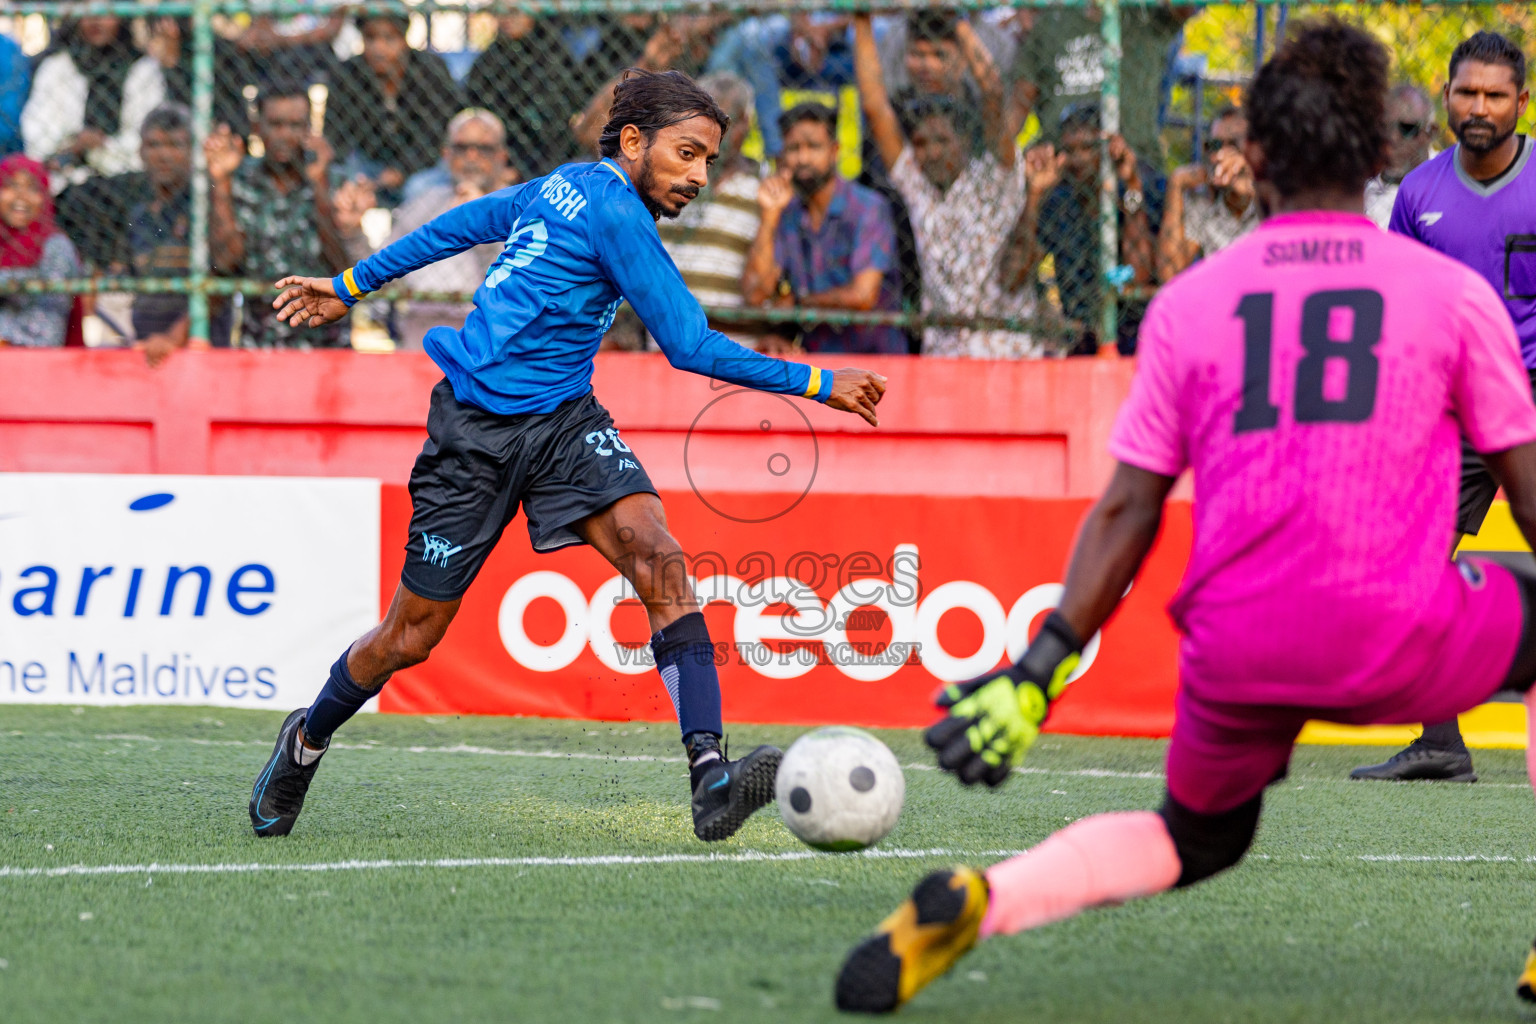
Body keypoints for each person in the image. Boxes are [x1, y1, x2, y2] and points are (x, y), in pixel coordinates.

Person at [834, 20, 1536, 1013]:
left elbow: (1128, 505)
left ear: (1253, 157)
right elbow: (1524, 481)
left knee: (1194, 837)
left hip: (1236, 647)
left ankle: (989, 897)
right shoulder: (1453, 297)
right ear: (1383, 154)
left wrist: (1041, 667)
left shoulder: (1191, 302)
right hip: (1396, 630)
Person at [247, 69, 888, 844]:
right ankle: (305, 740)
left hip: (562, 424)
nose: (698, 177)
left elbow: (459, 225)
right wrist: (822, 381)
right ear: (632, 141)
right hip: (473, 437)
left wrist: (351, 284)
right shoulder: (616, 214)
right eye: (687, 154)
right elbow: (687, 346)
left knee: (661, 561)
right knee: (408, 637)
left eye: (710, 162)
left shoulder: (565, 186)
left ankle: (711, 778)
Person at [1351, 32, 1536, 783]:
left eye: (1496, 95)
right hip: (1456, 405)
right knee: (1417, 561)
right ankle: (1439, 741)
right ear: (1446, 94)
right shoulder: (1419, 195)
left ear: (1521, 102)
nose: (1480, 108)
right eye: (1468, 93)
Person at [853, 12, 1035, 358]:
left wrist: (958, 21)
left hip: (1005, 349)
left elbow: (993, 90)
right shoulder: (918, 187)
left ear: (965, 140)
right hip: (943, 353)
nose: (931, 152)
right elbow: (876, 107)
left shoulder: (995, 177)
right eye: (921, 143)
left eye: (941, 140)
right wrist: (861, 22)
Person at [341, 109, 517, 350]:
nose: (472, 157)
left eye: (483, 149)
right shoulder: (424, 203)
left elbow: (515, 289)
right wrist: (353, 232)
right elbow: (383, 276)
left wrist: (481, 224)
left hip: (490, 343)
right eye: (461, 148)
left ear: (502, 156)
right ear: (446, 155)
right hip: (418, 341)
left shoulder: (522, 206)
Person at [741, 101, 903, 354]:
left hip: (874, 361)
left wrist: (798, 304)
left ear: (834, 151)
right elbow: (755, 293)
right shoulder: (787, 213)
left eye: (813, 147)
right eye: (794, 148)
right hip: (816, 366)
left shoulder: (868, 208)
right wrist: (770, 215)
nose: (803, 158)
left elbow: (863, 296)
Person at [1001, 103, 1161, 355]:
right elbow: (1011, 276)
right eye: (1070, 150)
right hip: (1081, 337)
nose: (1077, 159)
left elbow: (1137, 273)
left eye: (1088, 148)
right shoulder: (1060, 202)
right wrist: (1034, 196)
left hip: (1136, 333)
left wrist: (1131, 185)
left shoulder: (1141, 186)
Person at [207, 81, 350, 350]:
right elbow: (226, 260)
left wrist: (319, 187)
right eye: (275, 124)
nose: (285, 135)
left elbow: (342, 265)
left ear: (309, 129)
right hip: (262, 338)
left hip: (324, 338)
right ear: (257, 128)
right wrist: (222, 182)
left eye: (295, 125)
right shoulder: (240, 180)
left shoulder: (333, 178)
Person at [654, 73, 772, 349]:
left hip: (733, 347)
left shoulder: (762, 189)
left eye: (728, 123)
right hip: (663, 344)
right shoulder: (665, 181)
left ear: (746, 123)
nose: (718, 136)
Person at [1007, 0, 1192, 167]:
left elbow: (1185, 7)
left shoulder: (1145, 15)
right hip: (1064, 167)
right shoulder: (1053, 22)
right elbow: (1020, 100)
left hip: (1134, 164)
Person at [121, 104, 232, 364]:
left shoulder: (207, 205)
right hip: (146, 346)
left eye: (174, 145)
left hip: (201, 347)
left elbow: (220, 281)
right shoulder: (138, 212)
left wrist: (174, 337)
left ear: (192, 151)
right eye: (154, 145)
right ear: (141, 151)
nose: (163, 155)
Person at [323, 11, 462, 202]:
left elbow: (437, 134)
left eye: (389, 38)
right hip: (370, 162)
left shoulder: (430, 70)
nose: (379, 48)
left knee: (417, 189)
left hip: (424, 163)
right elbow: (335, 136)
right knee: (344, 181)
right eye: (371, 38)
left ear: (404, 39)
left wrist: (401, 170)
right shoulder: (348, 74)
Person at [21, 15, 166, 193]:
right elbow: (38, 132)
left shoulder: (144, 69)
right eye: (88, 9)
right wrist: (74, 144)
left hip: (126, 183)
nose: (96, 20)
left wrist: (102, 147)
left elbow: (142, 140)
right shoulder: (57, 66)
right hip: (64, 183)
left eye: (106, 12)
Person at [1157, 105, 1259, 282]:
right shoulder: (1202, 199)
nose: (1220, 155)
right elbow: (1169, 275)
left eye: (1234, 145)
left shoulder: (1271, 194)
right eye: (1215, 145)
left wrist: (1252, 188)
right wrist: (1176, 185)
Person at [0, 155, 81, 348]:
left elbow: (48, 329)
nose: (21, 196)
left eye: (32, 188)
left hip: (35, 359)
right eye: (10, 186)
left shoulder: (55, 246)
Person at [1364, 84, 1436, 229]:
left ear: (1430, 132)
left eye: (1407, 128)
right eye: (1386, 127)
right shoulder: (1360, 188)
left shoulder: (1448, 183)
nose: (1393, 138)